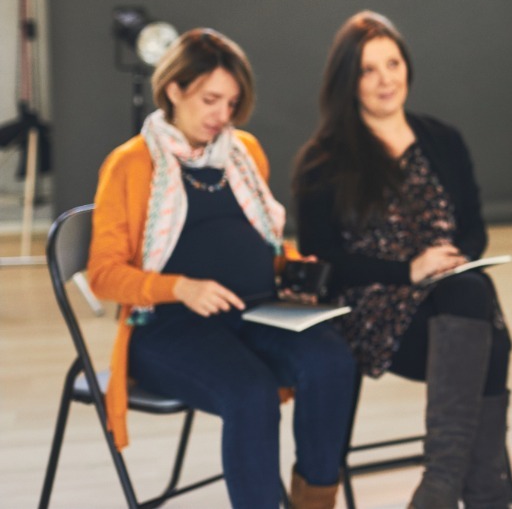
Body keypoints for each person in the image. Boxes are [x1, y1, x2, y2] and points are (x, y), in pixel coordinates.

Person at [87, 28, 356, 509]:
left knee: (332, 360)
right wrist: (180, 288)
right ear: (174, 89)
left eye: (231, 103)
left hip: (257, 312)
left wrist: (293, 268)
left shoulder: (243, 153)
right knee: (251, 393)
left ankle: (314, 501)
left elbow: (259, 239)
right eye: (210, 100)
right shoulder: (130, 165)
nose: (222, 115)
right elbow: (103, 275)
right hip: (168, 328)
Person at [292, 10, 512, 509]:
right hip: (372, 311)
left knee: (470, 293)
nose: (385, 80)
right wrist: (407, 271)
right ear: (349, 81)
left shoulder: (443, 140)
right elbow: (323, 261)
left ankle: (443, 487)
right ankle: (478, 492)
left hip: (451, 298)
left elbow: (473, 227)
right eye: (368, 70)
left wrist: (456, 259)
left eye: (392, 64)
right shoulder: (323, 161)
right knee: (491, 340)